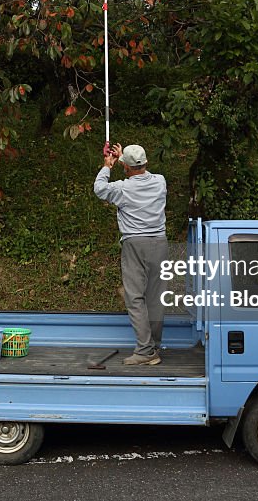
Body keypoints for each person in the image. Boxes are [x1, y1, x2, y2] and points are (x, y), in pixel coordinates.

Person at [93, 143, 169, 365]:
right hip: (160, 243)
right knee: (156, 297)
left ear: (125, 167)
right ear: (146, 163)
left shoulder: (122, 188)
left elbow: (99, 188)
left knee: (135, 297)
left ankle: (145, 351)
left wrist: (108, 165)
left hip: (135, 244)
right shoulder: (160, 182)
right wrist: (126, 159)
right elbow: (141, 172)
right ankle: (152, 347)